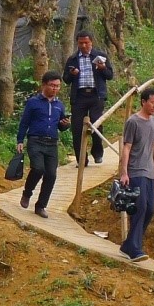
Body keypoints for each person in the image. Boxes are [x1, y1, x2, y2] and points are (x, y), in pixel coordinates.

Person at [117, 87, 154, 261]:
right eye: (152, 102)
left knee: (150, 209)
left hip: (149, 172)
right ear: (143, 102)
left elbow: (153, 146)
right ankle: (134, 248)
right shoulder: (133, 122)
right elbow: (127, 148)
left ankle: (130, 244)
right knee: (141, 207)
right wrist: (124, 172)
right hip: (135, 171)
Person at [15, 71, 71, 219]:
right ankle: (27, 193)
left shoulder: (59, 105)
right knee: (38, 168)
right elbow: (24, 123)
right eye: (52, 85)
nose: (55, 89)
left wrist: (65, 124)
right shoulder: (33, 102)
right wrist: (20, 140)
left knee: (51, 175)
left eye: (58, 86)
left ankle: (41, 206)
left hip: (52, 143)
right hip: (35, 141)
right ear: (44, 85)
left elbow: (61, 126)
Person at [63, 31, 114, 167]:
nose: (84, 45)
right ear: (77, 43)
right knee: (77, 128)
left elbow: (110, 75)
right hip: (79, 96)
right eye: (81, 43)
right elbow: (66, 79)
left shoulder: (100, 56)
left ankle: (97, 153)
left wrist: (103, 68)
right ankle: (81, 159)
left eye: (86, 42)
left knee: (96, 124)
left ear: (91, 42)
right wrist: (72, 74)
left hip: (96, 95)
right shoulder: (72, 59)